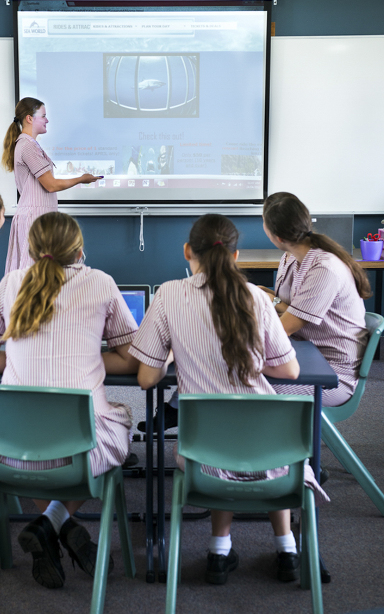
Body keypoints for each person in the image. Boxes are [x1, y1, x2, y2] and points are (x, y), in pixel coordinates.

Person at [129, 213, 328, 586]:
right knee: (266, 445)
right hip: (273, 450)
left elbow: (147, 378)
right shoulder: (255, 297)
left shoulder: (169, 294)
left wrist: (171, 352)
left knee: (220, 441)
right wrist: (251, 362)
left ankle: (219, 550)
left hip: (204, 457)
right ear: (236, 257)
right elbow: (289, 372)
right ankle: (287, 547)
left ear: (188, 251)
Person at [0, 211, 139, 590]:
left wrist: (19, 354)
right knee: (117, 431)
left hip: (4, 450)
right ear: (79, 251)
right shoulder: (101, 283)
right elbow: (130, 358)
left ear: (30, 250)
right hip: (80, 450)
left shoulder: (11, 282)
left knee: (34, 452)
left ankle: (49, 523)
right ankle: (54, 522)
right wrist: (89, 356)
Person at [261, 192, 370, 406]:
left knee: (239, 382)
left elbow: (283, 329)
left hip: (331, 374)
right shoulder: (291, 256)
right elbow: (289, 309)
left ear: (278, 237)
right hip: (305, 356)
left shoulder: (324, 269)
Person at [2, 97, 102, 274]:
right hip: (35, 217)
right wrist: (81, 179)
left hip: (39, 216)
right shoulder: (27, 146)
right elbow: (51, 185)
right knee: (33, 274)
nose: (47, 120)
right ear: (29, 118)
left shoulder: (29, 144)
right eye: (43, 115)